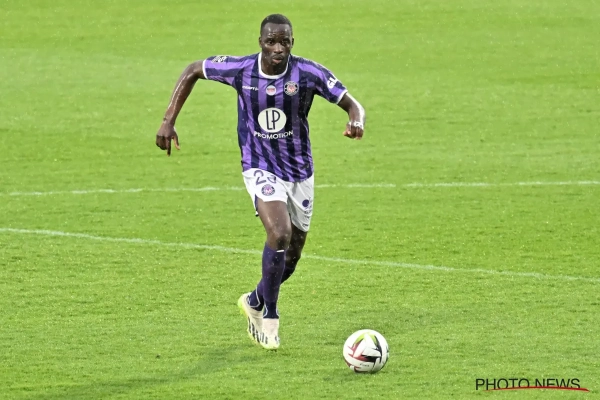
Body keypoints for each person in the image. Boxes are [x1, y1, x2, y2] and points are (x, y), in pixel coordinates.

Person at [155, 13, 366, 350]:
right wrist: (168, 120)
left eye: (284, 42)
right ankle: (270, 317)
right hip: (259, 166)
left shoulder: (308, 73)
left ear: (292, 43)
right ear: (261, 43)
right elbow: (194, 69)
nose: (278, 48)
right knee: (279, 233)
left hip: (299, 171)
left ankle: (254, 300)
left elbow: (353, 104)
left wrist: (356, 121)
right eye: (271, 42)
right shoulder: (241, 70)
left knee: (290, 259)